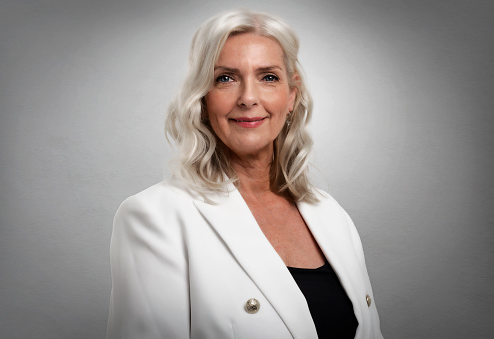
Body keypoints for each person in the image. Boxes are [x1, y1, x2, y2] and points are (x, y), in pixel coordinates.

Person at [107, 8, 383, 339]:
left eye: (268, 77)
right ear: (202, 98)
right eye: (225, 78)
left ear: (291, 96)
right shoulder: (154, 217)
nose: (248, 98)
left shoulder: (331, 214)